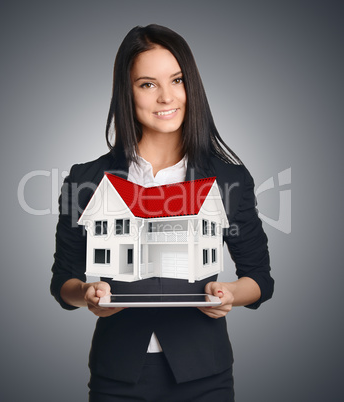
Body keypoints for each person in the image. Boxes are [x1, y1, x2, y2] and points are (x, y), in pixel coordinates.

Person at [50, 24, 274, 402]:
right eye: (148, 84)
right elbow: (62, 281)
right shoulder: (86, 180)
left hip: (204, 373)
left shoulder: (227, 178)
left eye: (177, 80)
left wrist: (229, 294)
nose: (166, 97)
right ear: (127, 92)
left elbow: (259, 280)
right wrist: (87, 294)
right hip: (117, 373)